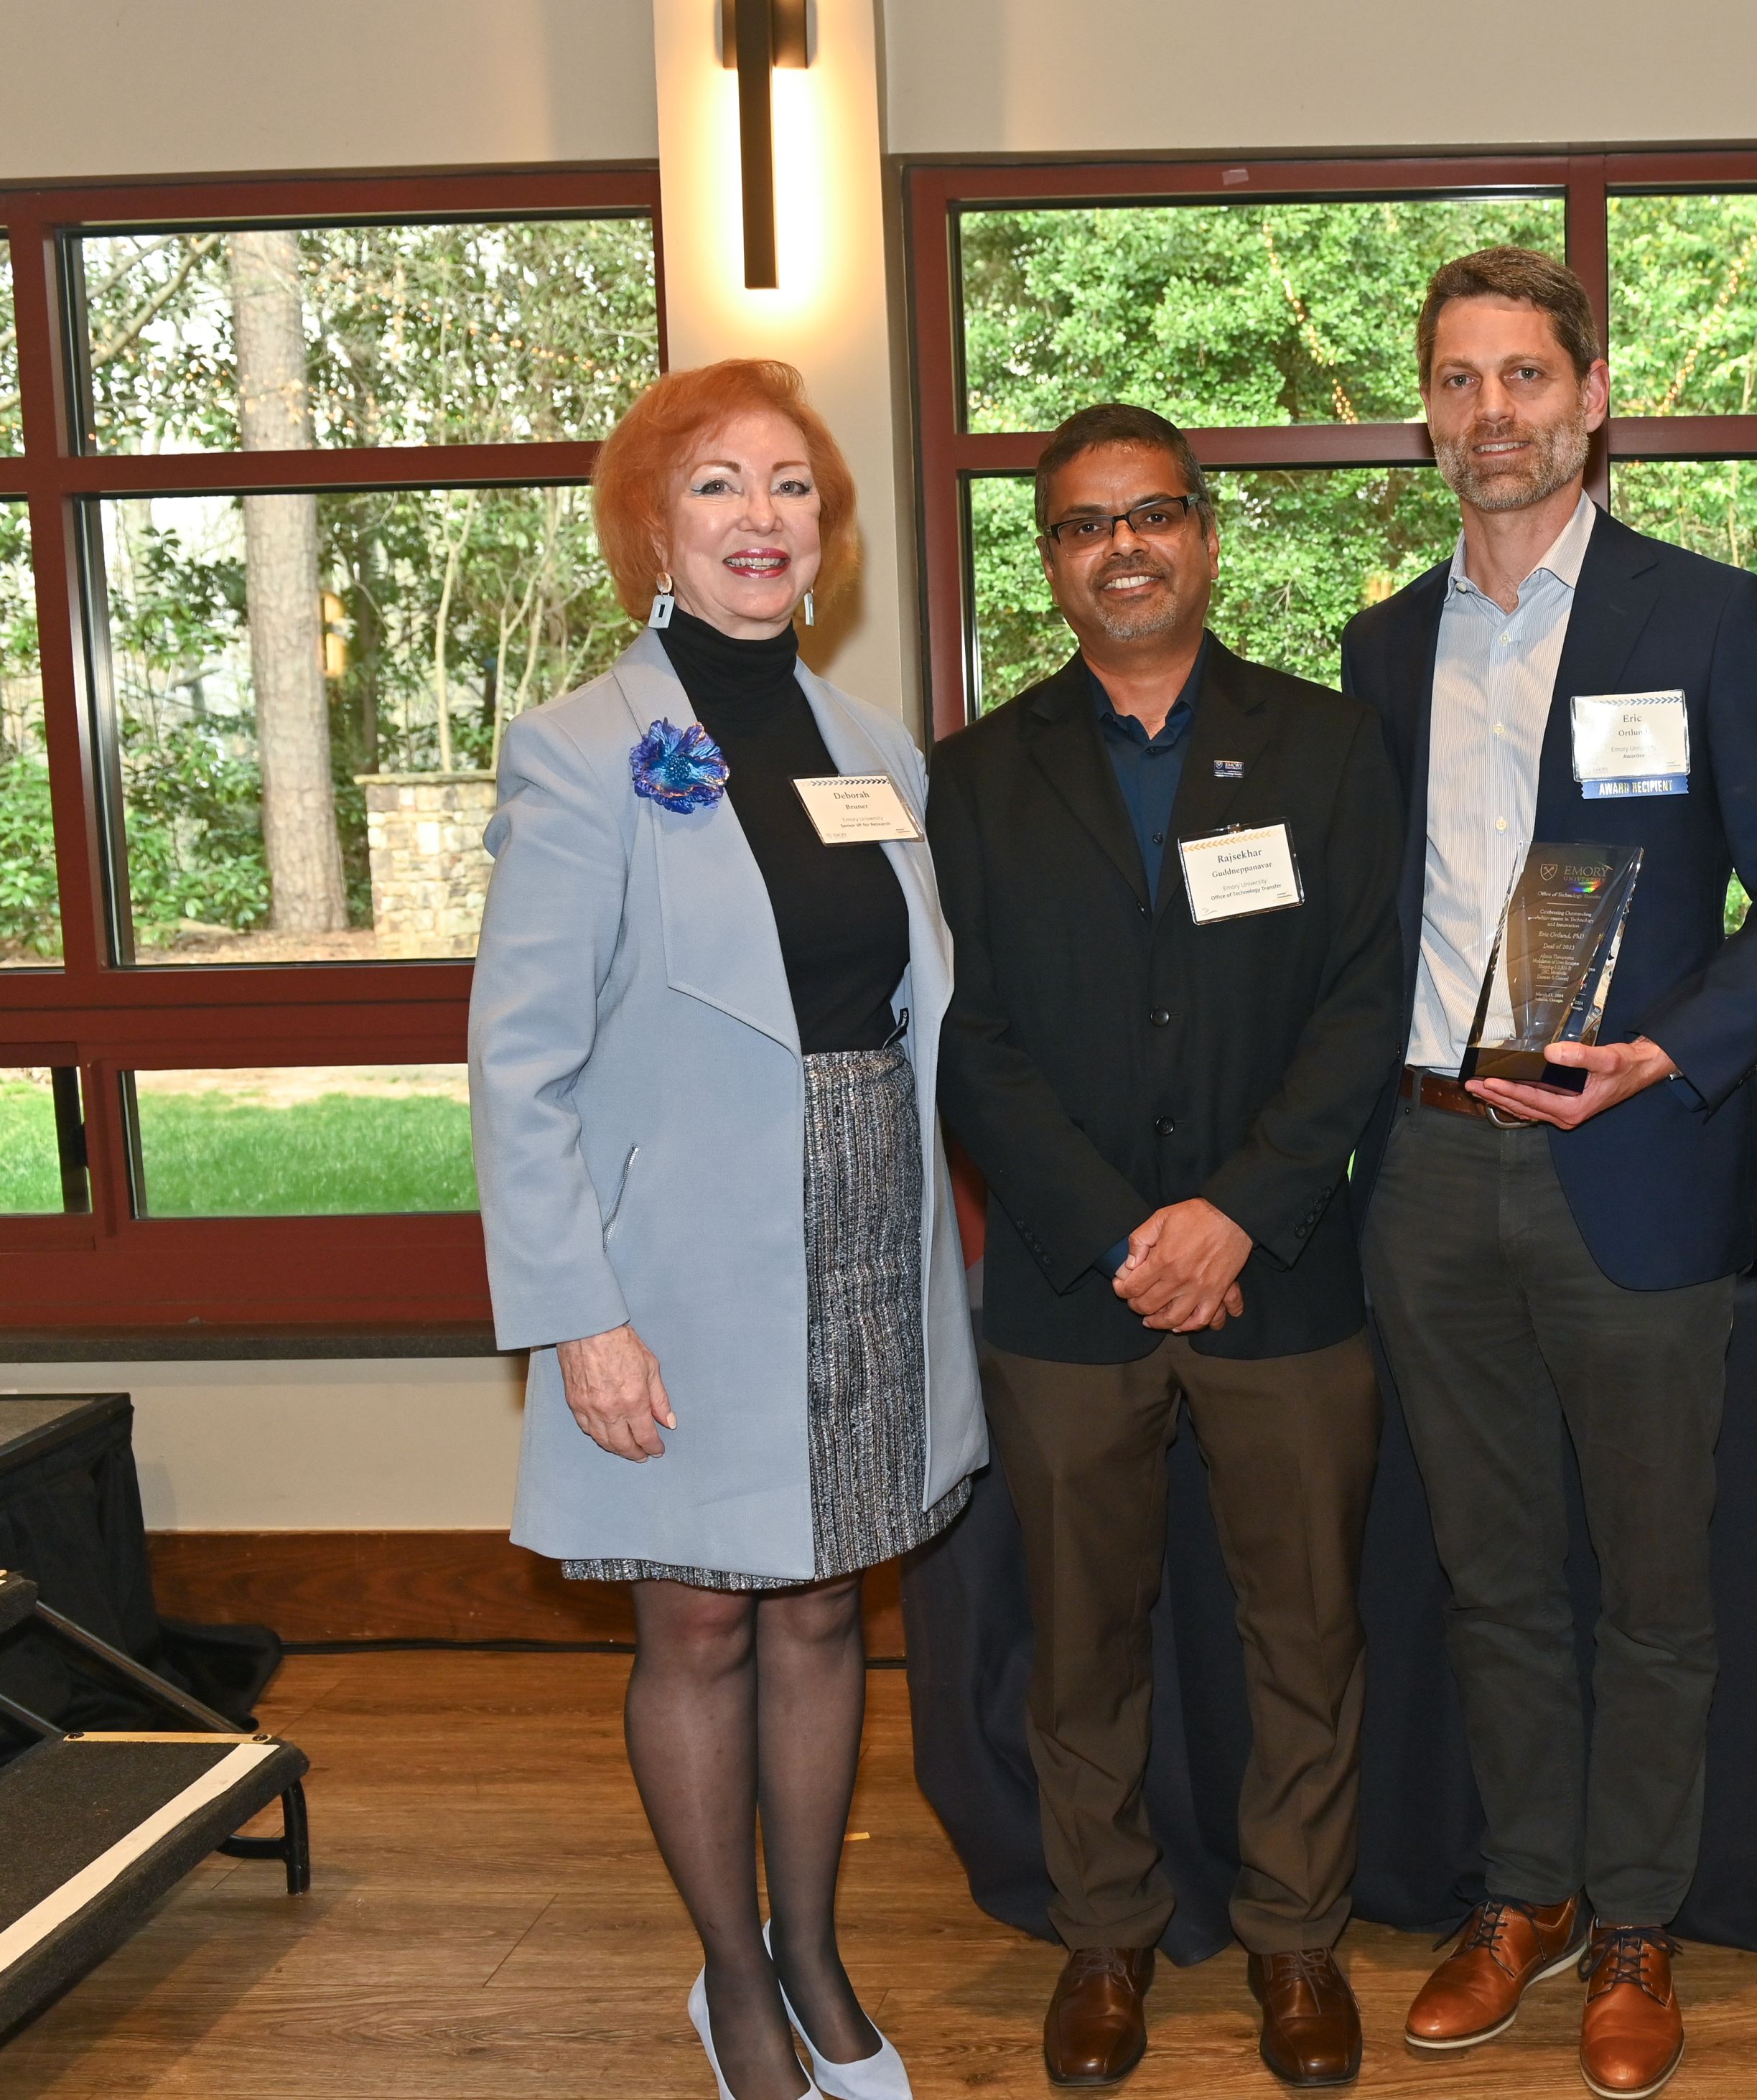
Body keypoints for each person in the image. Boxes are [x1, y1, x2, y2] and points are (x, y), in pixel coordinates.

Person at [1341, 248, 1757, 2100]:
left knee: (1648, 1582)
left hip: (1633, 1158)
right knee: (1489, 1574)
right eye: (1457, 379)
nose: (1491, 412)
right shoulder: (1380, 648)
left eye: (1524, 376)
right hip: (1426, 1169)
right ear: (1426, 412)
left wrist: (1674, 1049)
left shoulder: (1705, 619)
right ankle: (1527, 1891)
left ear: (1589, 397)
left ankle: (1637, 1915)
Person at [472, 359, 984, 2100]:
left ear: (825, 533)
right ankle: (734, 1981)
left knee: (825, 1609)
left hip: (862, 1224)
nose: (760, 518)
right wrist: (579, 1314)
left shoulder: (877, 750)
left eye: (790, 487)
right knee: (696, 1619)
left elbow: (910, 1005)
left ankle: (815, 1952)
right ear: (653, 528)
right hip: (676, 1263)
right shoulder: (581, 750)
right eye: (717, 486)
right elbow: (519, 1063)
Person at [926, 404, 1408, 2091]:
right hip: (1072, 1287)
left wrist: (1236, 1208)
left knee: (1306, 1631)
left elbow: (1363, 999)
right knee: (1079, 1637)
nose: (1120, 546)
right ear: (1049, 561)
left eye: (1150, 514)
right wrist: (1117, 1229)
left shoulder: (1327, 748)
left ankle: (1296, 1936)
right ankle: (1104, 1930)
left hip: (1283, 1271)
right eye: (1083, 524)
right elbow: (970, 1034)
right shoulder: (976, 775)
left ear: (1204, 534)